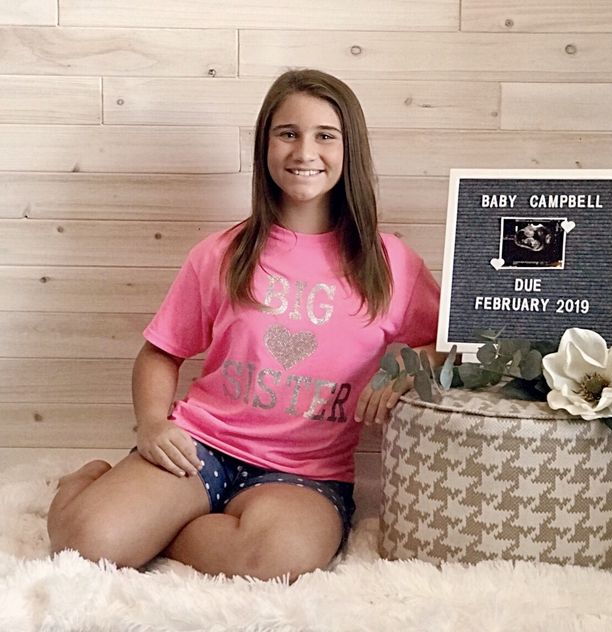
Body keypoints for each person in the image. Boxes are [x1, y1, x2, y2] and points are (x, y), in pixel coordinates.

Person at [47, 69, 442, 581]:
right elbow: (161, 352)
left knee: (278, 561)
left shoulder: (391, 263)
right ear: (266, 146)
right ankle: (92, 484)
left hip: (306, 474)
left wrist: (404, 370)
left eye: (325, 136)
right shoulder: (221, 253)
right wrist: (152, 424)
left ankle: (163, 525)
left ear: (351, 151)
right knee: (85, 543)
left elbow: (444, 342)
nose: (305, 151)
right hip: (201, 446)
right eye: (288, 134)